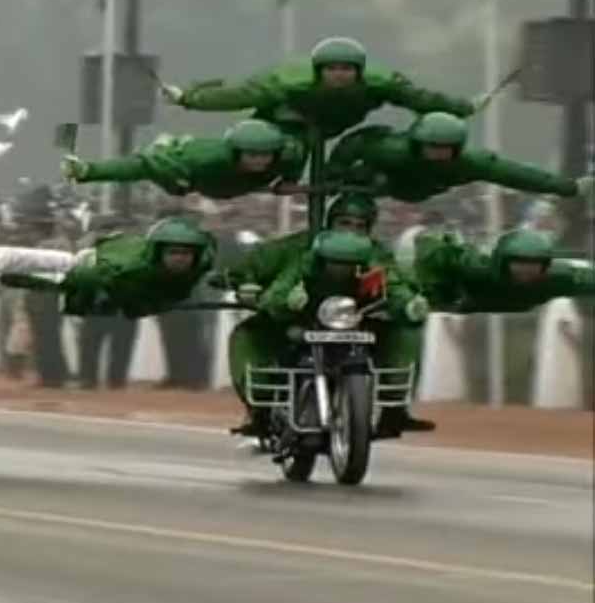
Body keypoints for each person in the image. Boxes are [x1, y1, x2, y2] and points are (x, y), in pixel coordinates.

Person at [227, 231, 428, 438]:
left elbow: (392, 286)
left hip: (353, 322)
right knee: (258, 338)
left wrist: (408, 304)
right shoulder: (304, 262)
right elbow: (279, 291)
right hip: (303, 323)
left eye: (349, 265)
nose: (342, 271)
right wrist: (288, 300)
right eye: (335, 264)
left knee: (400, 335)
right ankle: (263, 411)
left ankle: (393, 407)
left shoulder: (373, 259)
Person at [163, 37, 478, 140]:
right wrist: (189, 99)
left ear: (359, 72)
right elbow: (239, 95)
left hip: (339, 125)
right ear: (318, 71)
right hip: (289, 120)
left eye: (346, 70)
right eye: (331, 69)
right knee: (277, 144)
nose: (339, 76)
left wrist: (464, 107)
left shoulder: (382, 82)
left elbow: (421, 99)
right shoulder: (289, 82)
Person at [325, 112, 589, 204]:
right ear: (417, 144)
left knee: (383, 184)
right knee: (368, 180)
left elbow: (515, 174)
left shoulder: (472, 163)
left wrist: (566, 187)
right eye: (433, 147)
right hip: (383, 178)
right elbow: (354, 143)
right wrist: (333, 172)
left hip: (421, 189)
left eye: (446, 148)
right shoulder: (390, 149)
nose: (439, 154)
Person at [0, 217, 215, 319]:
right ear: (160, 254)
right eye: (174, 253)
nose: (180, 259)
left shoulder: (203, 263)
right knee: (66, 283)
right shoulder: (128, 268)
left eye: (186, 254)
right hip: (96, 272)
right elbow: (86, 280)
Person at [62, 119, 303, 200]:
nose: (261, 161)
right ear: (237, 152)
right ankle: (166, 143)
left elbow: (303, 149)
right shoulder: (206, 159)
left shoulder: (288, 153)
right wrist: (89, 171)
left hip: (235, 186)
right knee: (151, 164)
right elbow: (140, 166)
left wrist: (291, 180)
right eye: (252, 155)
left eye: (265, 155)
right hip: (191, 177)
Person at [216, 192, 390, 293]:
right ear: (330, 224)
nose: (350, 231)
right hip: (296, 318)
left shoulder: (377, 253)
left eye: (360, 226)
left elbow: (396, 283)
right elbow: (258, 264)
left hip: (355, 320)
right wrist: (240, 280)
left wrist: (408, 303)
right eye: (344, 223)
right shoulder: (299, 246)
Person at [411, 227, 595, 312]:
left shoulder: (556, 278)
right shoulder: (477, 268)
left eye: (534, 265)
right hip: (468, 318)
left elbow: (583, 278)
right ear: (503, 261)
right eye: (520, 264)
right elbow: (435, 253)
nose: (527, 271)